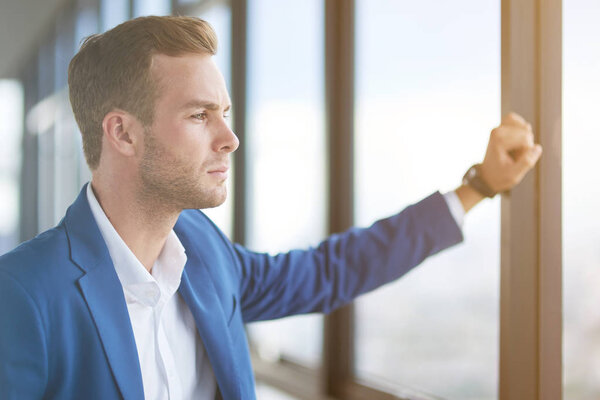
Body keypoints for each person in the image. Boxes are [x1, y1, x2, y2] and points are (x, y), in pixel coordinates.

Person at [0, 16, 542, 400]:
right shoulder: (23, 294)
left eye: (226, 112)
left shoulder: (204, 253)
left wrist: (478, 186)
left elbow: (328, 271)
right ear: (122, 133)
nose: (230, 138)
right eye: (199, 115)